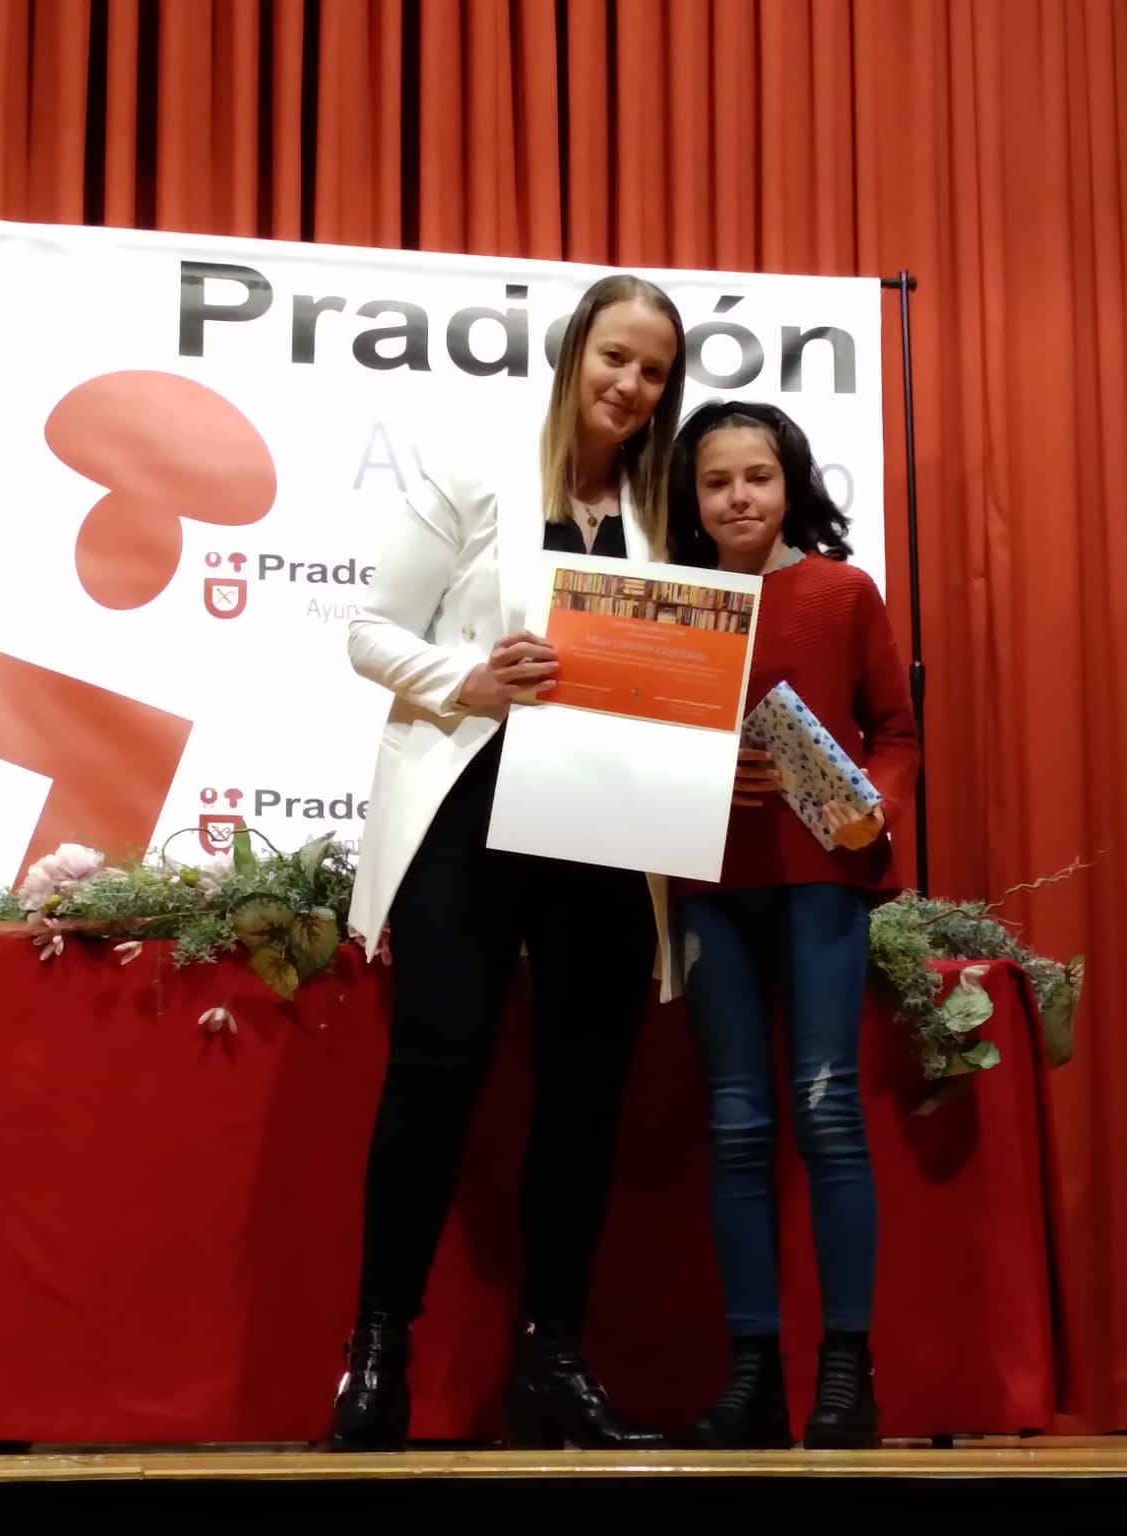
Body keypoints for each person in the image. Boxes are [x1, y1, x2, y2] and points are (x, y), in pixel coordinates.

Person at [329, 275, 687, 1451]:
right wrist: (466, 679)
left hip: (606, 823)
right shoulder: (474, 471)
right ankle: (376, 1352)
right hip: (468, 805)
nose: (629, 385)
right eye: (615, 357)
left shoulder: (663, 512)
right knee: (434, 1069)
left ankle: (554, 1363)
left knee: (583, 1096)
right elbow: (368, 632)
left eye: (652, 371)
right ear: (573, 350)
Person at [663, 400, 918, 1450]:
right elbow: (631, 741)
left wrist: (876, 802)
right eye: (716, 481)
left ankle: (847, 1375)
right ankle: (752, 1378)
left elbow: (896, 730)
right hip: (708, 883)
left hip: (824, 879)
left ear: (791, 484)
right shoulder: (670, 604)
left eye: (757, 477)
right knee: (735, 1126)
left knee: (826, 1113)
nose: (738, 498)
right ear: (690, 498)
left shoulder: (842, 592)